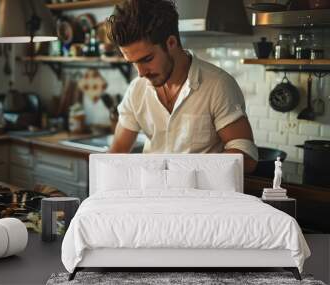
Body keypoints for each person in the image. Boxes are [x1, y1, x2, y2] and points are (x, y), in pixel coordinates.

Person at [105, 0, 258, 173]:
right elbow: (117, 152)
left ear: (171, 43)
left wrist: (187, 172)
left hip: (201, 197)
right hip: (152, 195)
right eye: (133, 63)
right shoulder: (136, 89)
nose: (140, 73)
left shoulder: (217, 85)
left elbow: (246, 155)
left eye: (147, 59)